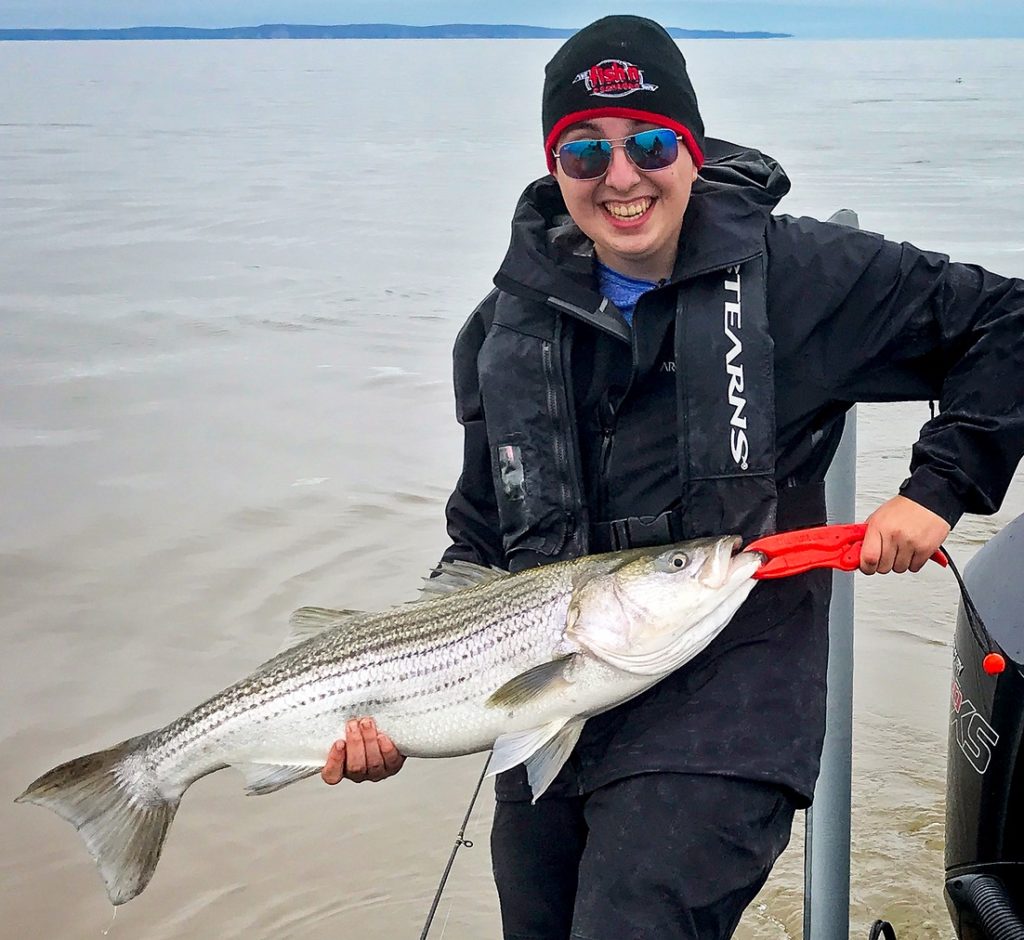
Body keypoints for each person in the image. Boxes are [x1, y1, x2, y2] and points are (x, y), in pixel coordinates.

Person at [321, 14, 1024, 939]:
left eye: (649, 142)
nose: (621, 177)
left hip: (729, 697)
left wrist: (937, 488)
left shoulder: (800, 275)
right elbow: (480, 541)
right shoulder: (501, 329)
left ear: (690, 146)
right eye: (584, 151)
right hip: (556, 705)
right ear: (553, 165)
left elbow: (1004, 323)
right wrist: (395, 707)